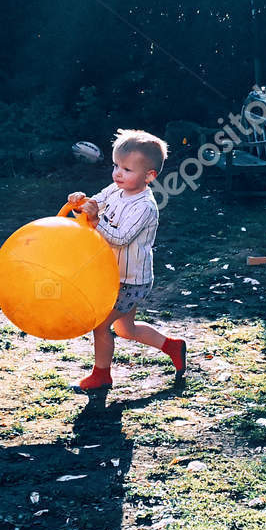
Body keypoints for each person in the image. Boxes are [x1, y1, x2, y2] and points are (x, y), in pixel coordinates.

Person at [67, 129, 186, 392]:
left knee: (101, 325)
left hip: (131, 281)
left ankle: (101, 376)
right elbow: (94, 202)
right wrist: (80, 202)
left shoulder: (144, 206)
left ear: (150, 175)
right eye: (116, 166)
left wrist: (96, 220)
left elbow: (120, 238)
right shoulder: (116, 189)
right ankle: (172, 346)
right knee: (125, 329)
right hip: (112, 274)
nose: (118, 173)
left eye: (127, 169)